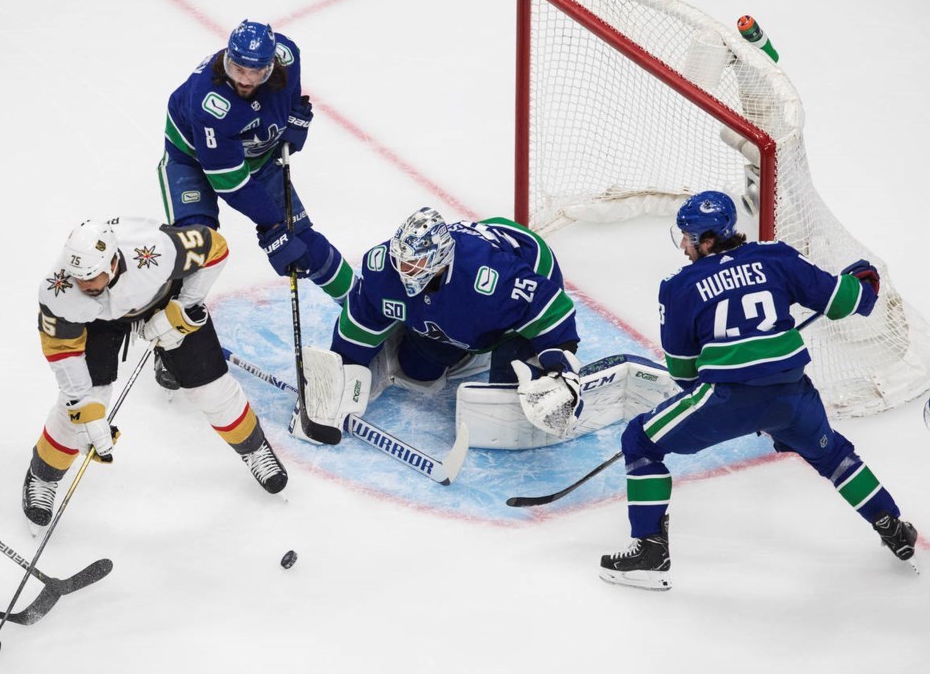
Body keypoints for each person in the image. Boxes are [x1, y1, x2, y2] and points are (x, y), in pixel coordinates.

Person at [599, 191, 918, 591]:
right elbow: (842, 301)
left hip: (726, 399)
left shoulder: (679, 286)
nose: (683, 245)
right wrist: (864, 282)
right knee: (833, 453)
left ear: (709, 240)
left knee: (640, 441)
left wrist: (727, 409)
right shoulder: (775, 256)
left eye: (688, 236)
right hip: (792, 396)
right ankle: (892, 525)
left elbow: (683, 372)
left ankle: (650, 554)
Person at [24, 217, 288, 532]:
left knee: (211, 390)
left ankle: (254, 448)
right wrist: (84, 406)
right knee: (82, 409)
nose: (84, 286)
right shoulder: (58, 290)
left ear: (113, 261)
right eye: (78, 278)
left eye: (91, 277)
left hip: (163, 299)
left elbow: (215, 249)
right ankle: (44, 474)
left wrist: (182, 307)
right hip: (100, 322)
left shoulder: (155, 250)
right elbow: (62, 351)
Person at [157, 20, 355, 387]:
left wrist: (294, 115)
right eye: (238, 68)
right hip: (192, 161)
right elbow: (231, 184)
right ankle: (173, 343)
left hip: (257, 157)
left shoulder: (287, 55)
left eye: (256, 71)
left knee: (305, 243)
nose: (246, 79)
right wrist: (272, 225)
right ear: (227, 59)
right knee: (195, 247)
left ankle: (364, 309)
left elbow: (291, 89)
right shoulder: (210, 104)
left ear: (271, 65)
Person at [291, 207, 584, 443]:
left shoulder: (490, 278)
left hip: (528, 271)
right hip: (463, 301)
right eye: (401, 262)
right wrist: (339, 371)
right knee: (416, 370)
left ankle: (510, 352)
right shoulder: (384, 268)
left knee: (503, 411)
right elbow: (359, 322)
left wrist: (559, 365)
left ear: (440, 259)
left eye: (414, 265)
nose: (405, 272)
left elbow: (552, 310)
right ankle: (463, 347)